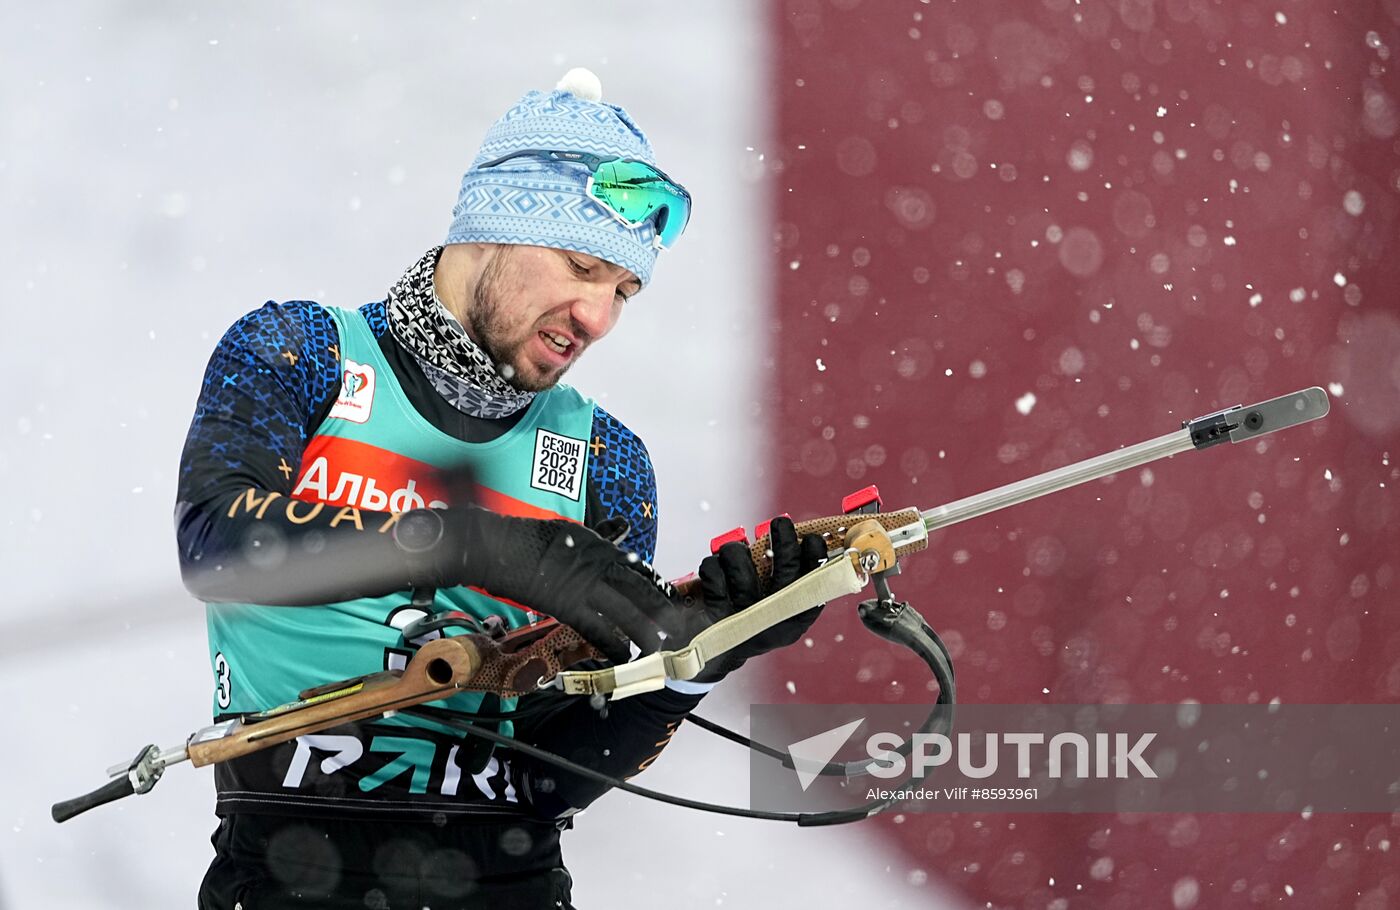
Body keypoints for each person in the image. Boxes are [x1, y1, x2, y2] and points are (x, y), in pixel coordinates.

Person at [176, 70, 825, 909]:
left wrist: (699, 655)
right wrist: (474, 544)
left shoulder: (604, 457)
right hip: (286, 873)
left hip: (505, 883)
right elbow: (217, 546)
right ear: (488, 230)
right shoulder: (302, 352)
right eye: (582, 265)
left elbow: (548, 773)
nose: (597, 316)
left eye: (624, 290)